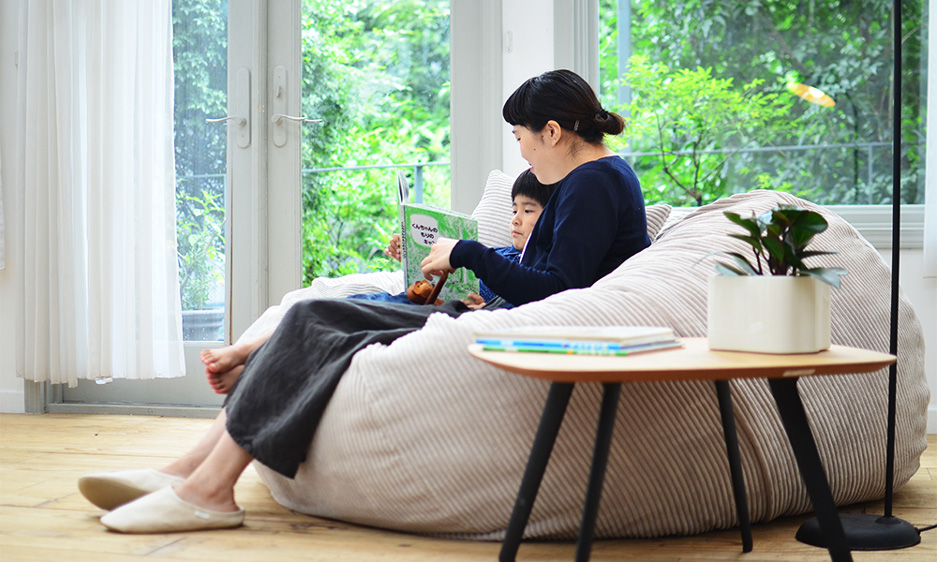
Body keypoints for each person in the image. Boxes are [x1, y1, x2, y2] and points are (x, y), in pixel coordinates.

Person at [77, 69, 651, 534]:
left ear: (551, 131)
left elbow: (557, 288)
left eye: (521, 136)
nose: (522, 152)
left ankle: (208, 492)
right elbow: (547, 271)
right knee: (314, 315)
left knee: (312, 317)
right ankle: (186, 473)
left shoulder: (593, 182)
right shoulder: (596, 180)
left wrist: (467, 252)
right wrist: (460, 257)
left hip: (497, 322)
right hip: (486, 306)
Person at [199, 169, 556, 395]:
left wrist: (479, 303)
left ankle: (248, 366)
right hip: (418, 299)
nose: (515, 220)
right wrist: (414, 256)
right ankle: (248, 359)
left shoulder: (526, 272)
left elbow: (514, 302)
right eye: (513, 210)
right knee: (325, 307)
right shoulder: (500, 253)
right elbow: (444, 277)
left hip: (437, 313)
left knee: (328, 319)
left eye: (528, 211)